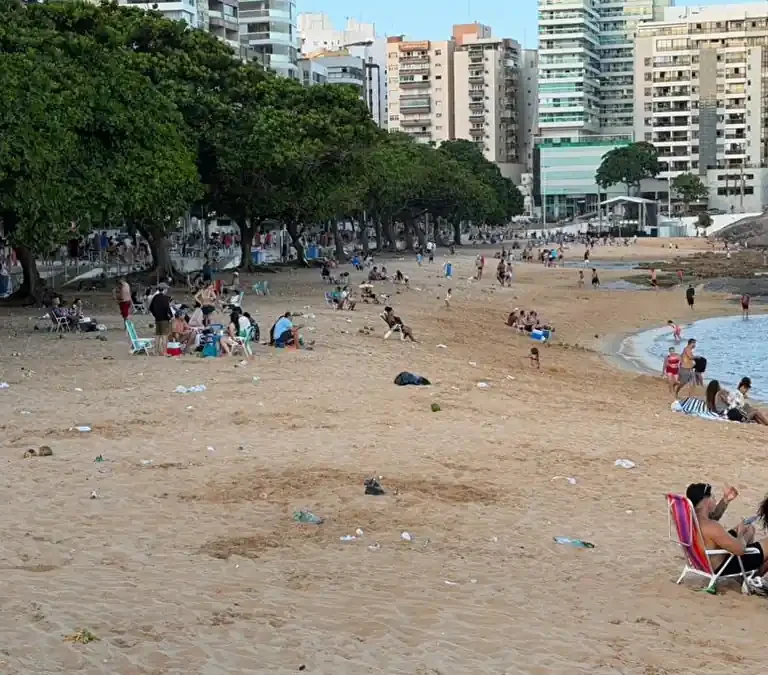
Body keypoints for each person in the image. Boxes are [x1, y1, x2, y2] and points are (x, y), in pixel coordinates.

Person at [686, 483, 768, 578]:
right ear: (706, 502)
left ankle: (750, 568)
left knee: (749, 528)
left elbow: (714, 516)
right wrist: (740, 532)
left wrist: (725, 500)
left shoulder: (692, 520)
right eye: (713, 497)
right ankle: (752, 577)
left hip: (707, 561)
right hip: (724, 567)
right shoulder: (712, 527)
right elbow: (740, 549)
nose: (715, 500)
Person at [149, 286, 173, 356]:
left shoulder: (155, 297)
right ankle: (164, 352)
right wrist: (170, 316)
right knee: (164, 336)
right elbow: (167, 308)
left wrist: (155, 315)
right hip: (164, 319)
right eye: (166, 289)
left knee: (157, 336)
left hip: (157, 319)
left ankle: (156, 351)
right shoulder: (165, 298)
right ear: (164, 289)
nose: (167, 290)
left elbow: (151, 308)